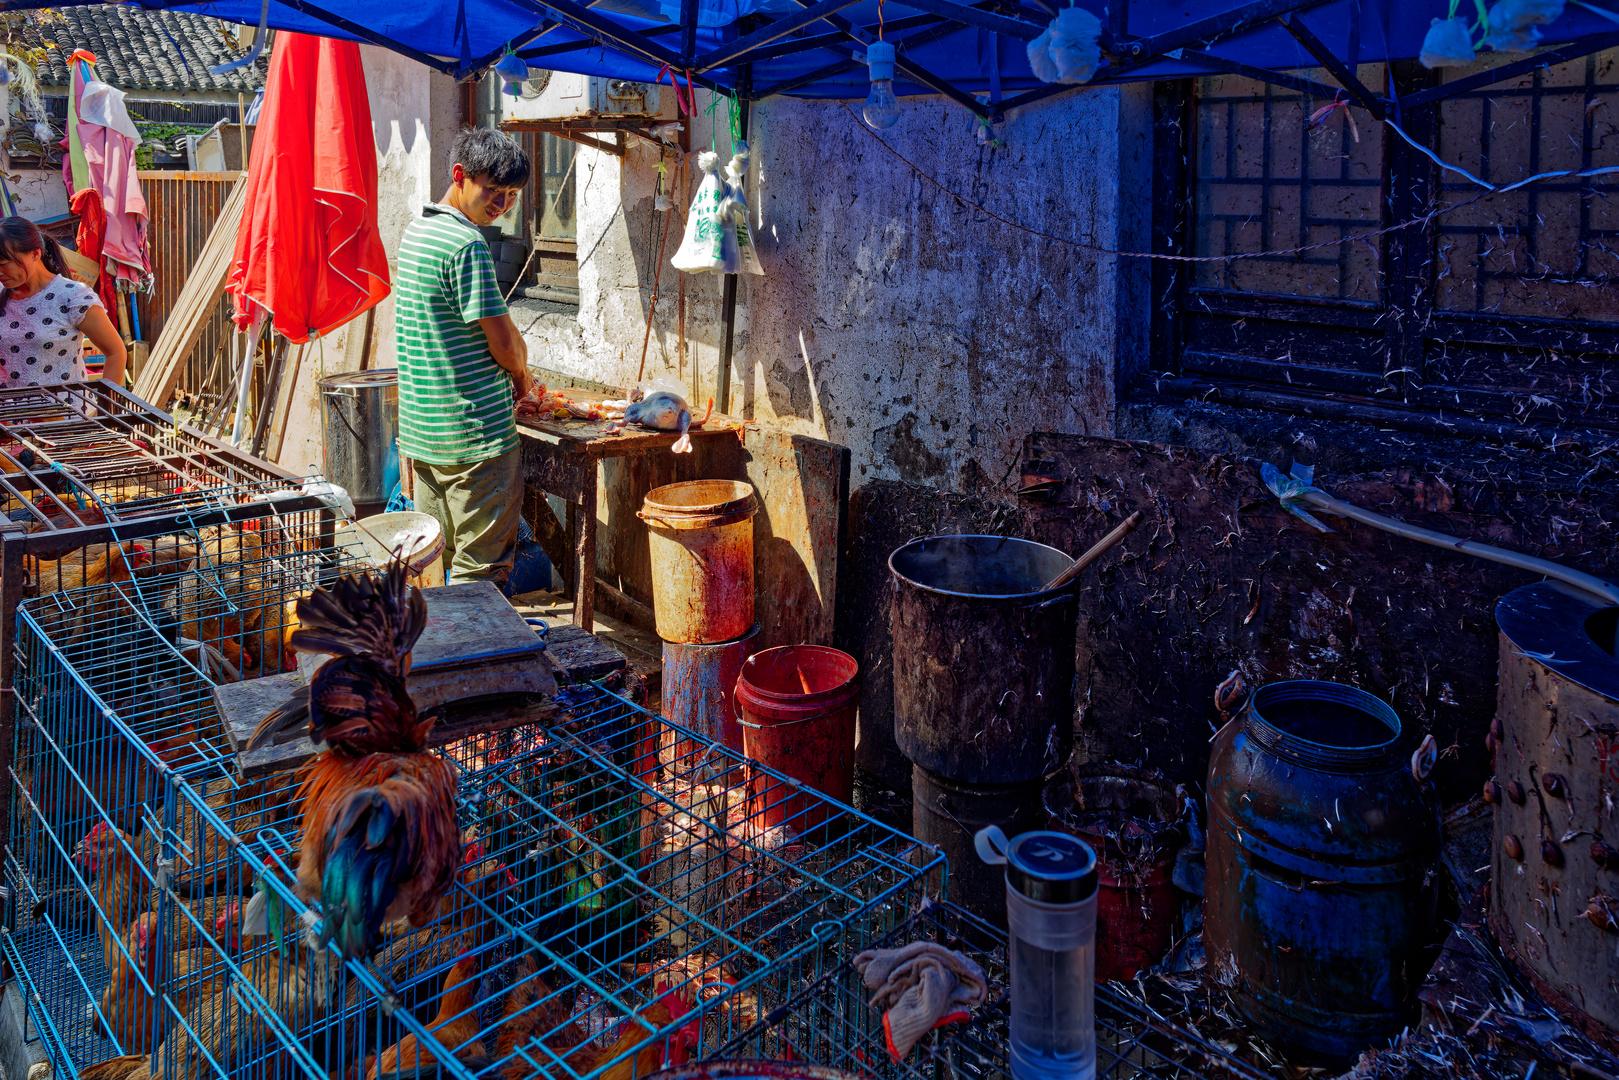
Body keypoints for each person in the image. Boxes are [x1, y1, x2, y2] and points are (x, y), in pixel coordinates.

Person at [395, 128, 533, 586]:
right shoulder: (466, 245)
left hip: (425, 435)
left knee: (433, 563)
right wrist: (522, 377)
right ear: (460, 176)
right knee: (480, 574)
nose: (502, 204)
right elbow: (505, 344)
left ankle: (442, 655)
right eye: (493, 190)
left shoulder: (417, 232)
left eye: (511, 195)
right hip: (473, 437)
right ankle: (480, 658)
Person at [0, 217, 127, 388]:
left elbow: (116, 352)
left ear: (35, 254)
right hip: (11, 413)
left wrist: (107, 407)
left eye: (3, 264)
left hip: (65, 411)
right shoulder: (2, 295)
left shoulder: (73, 297)